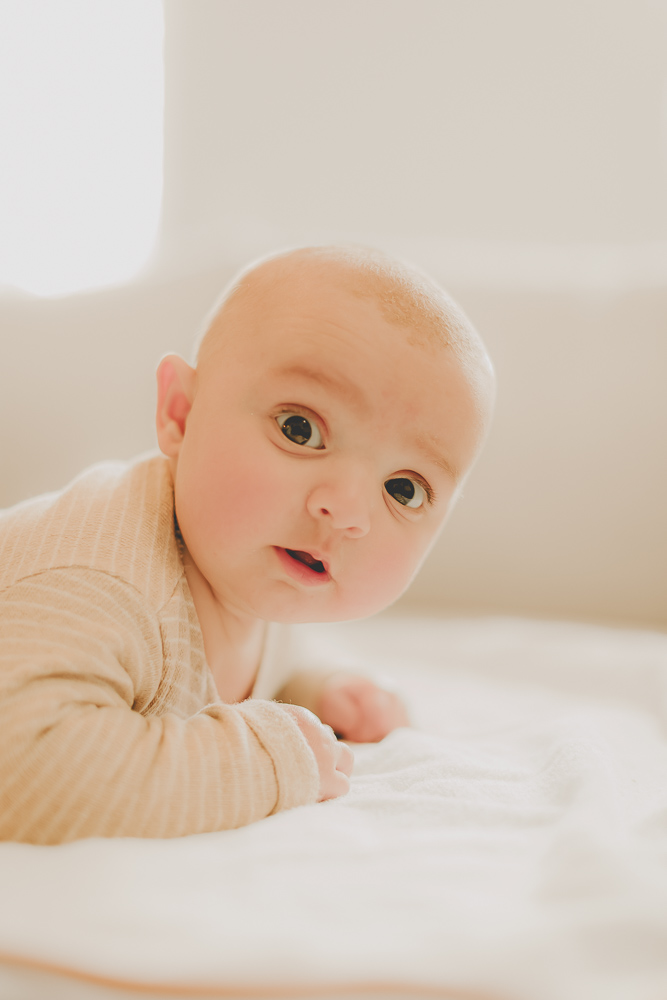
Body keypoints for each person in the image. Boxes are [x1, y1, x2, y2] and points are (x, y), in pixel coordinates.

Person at [0, 245, 495, 844]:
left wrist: (310, 690)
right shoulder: (105, 583)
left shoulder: (253, 562)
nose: (346, 511)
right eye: (300, 429)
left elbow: (219, 663)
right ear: (179, 413)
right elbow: (25, 768)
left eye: (404, 489)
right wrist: (262, 760)